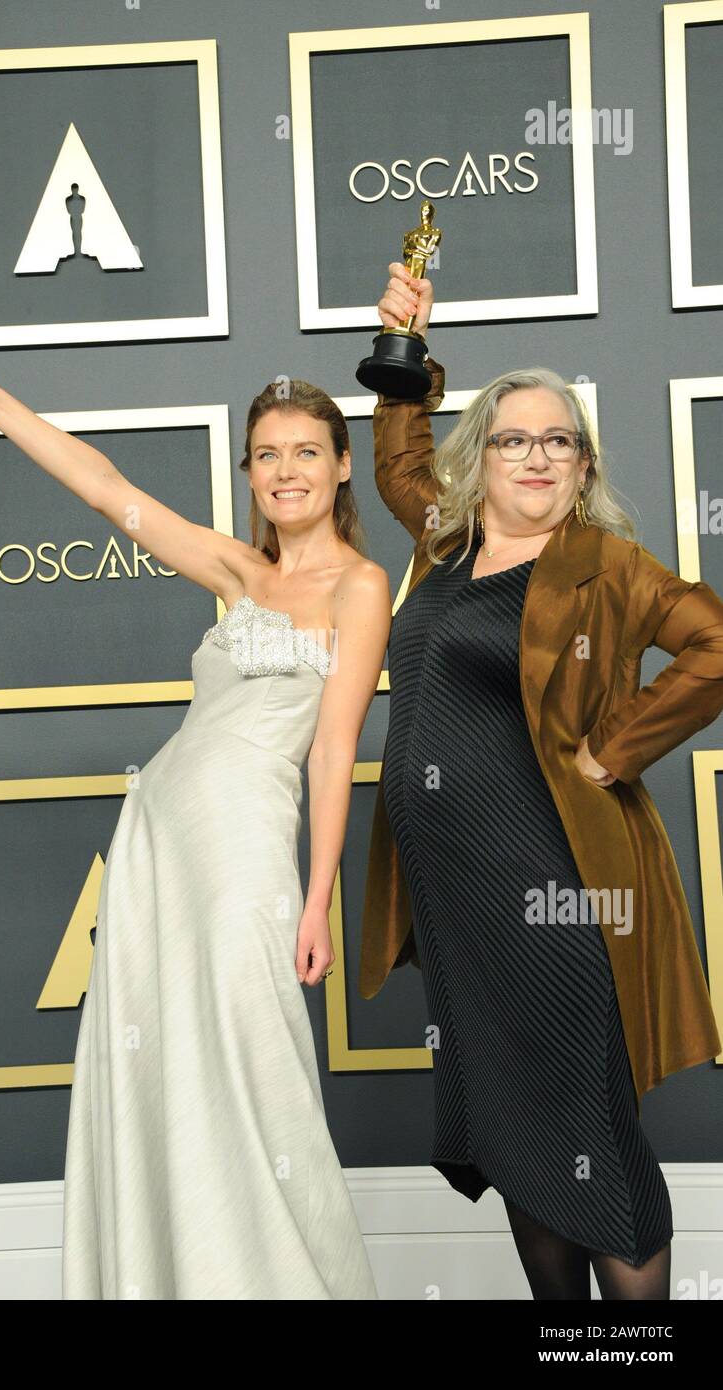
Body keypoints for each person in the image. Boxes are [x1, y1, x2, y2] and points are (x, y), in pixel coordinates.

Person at [0, 348, 389, 1300]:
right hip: (160, 839)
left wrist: (318, 899)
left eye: (307, 452)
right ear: (250, 473)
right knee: (165, 1053)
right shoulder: (234, 568)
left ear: (342, 465)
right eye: (267, 456)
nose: (287, 472)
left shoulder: (360, 588)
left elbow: (333, 749)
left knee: (252, 1057)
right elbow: (108, 490)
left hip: (247, 848)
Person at [359, 263, 723, 1301]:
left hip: (556, 897)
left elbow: (711, 648)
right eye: (511, 437)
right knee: (515, 1136)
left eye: (554, 439)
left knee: (587, 1138)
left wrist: (614, 749)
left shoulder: (602, 563)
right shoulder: (446, 538)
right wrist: (401, 351)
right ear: (482, 457)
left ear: (580, 462)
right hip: (460, 912)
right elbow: (396, 463)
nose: (533, 454)